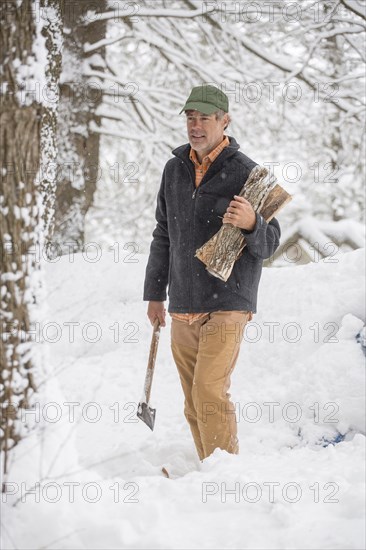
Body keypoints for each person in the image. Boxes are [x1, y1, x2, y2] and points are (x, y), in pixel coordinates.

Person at [143, 84, 281, 461]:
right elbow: (163, 233)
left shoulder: (247, 173)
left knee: (209, 390)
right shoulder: (174, 170)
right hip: (183, 299)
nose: (196, 125)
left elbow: (270, 244)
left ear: (225, 121)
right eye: (191, 118)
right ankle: (210, 469)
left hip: (228, 299)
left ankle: (226, 477)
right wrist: (155, 294)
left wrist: (254, 223)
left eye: (205, 118)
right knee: (193, 399)